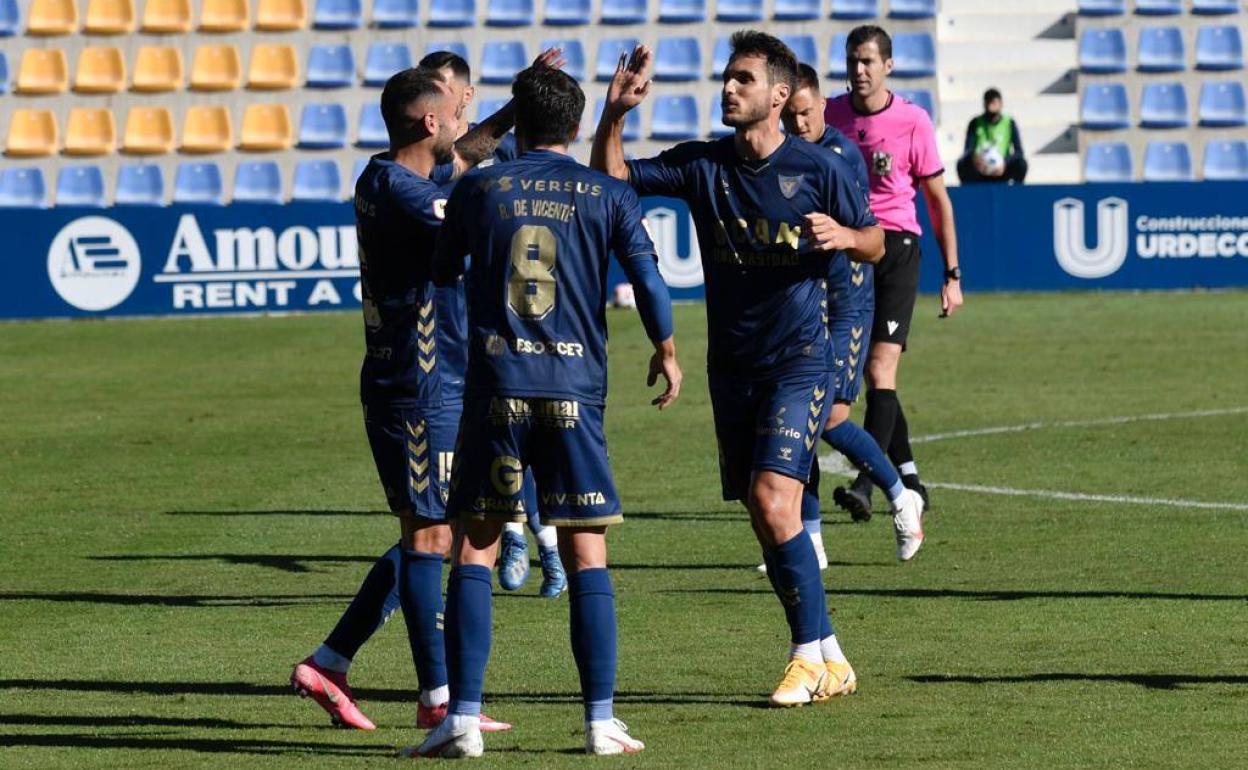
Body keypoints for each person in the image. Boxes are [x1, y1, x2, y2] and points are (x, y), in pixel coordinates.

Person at [593, 31, 880, 708]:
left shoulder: (819, 167)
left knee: (772, 499)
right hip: (734, 368)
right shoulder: (704, 166)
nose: (728, 88)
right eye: (727, 78)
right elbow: (612, 179)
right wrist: (614, 114)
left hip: (802, 360)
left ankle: (805, 657)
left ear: (779, 95)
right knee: (763, 510)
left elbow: (874, 239)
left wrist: (844, 238)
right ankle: (830, 652)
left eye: (744, 79)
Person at [407, 64, 681, 758]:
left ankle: (463, 719)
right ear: (579, 126)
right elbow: (649, 281)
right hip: (574, 391)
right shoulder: (605, 193)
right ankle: (599, 721)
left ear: (517, 125)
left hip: (496, 386)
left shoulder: (480, 187)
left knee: (477, 543)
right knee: (588, 550)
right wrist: (667, 350)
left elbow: (441, 275)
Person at [288, 58, 547, 733]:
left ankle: (332, 660)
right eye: (453, 111)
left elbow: (462, 161)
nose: (460, 122)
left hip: (430, 382)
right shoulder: (403, 192)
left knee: (435, 532)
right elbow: (475, 207)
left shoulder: (390, 175)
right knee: (433, 535)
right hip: (418, 385)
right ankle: (437, 695)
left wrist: (514, 113)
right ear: (430, 120)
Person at [421, 49, 568, 598]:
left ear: (463, 95)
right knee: (485, 443)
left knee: (515, 429)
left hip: (504, 314)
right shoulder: (433, 161)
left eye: (441, 87)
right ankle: (512, 535)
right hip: (448, 322)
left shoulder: (507, 154)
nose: (432, 100)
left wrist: (528, 98)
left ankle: (542, 543)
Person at [771, 62, 923, 572]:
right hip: (801, 305)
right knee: (800, 422)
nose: (798, 125)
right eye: (789, 116)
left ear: (819, 104)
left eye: (806, 114)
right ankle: (810, 542)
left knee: (830, 418)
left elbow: (865, 237)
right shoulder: (785, 154)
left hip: (845, 306)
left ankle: (902, 498)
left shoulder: (839, 157)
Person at [825, 25, 963, 538]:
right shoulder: (830, 115)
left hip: (898, 249)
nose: (858, 70)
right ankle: (908, 478)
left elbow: (938, 202)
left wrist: (952, 273)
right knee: (871, 378)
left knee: (881, 370)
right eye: (852, 60)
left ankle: (866, 483)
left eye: (867, 61)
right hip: (849, 252)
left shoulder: (912, 120)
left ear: (888, 66)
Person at [957, 88, 1027, 184]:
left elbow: (1019, 151)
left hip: (1001, 168)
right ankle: (969, 192)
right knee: (962, 164)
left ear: (1001, 103)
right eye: (988, 101)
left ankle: (1017, 193)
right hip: (981, 168)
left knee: (1021, 164)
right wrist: (977, 160)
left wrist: (1005, 163)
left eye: (994, 101)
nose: (991, 105)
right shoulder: (975, 123)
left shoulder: (1009, 123)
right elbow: (968, 150)